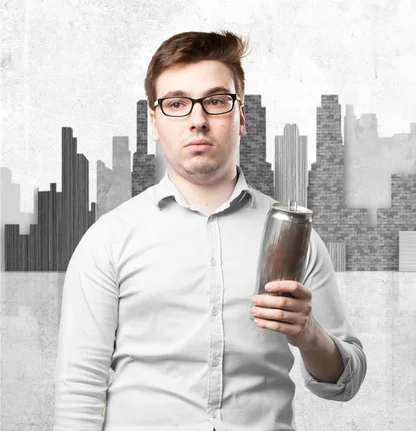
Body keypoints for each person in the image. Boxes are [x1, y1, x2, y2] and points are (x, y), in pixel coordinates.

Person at [53, 30, 367, 431]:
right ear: (154, 121)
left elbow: (346, 383)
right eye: (177, 103)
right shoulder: (109, 238)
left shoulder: (296, 237)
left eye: (216, 101)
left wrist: (308, 335)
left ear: (241, 117)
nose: (197, 120)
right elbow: (79, 389)